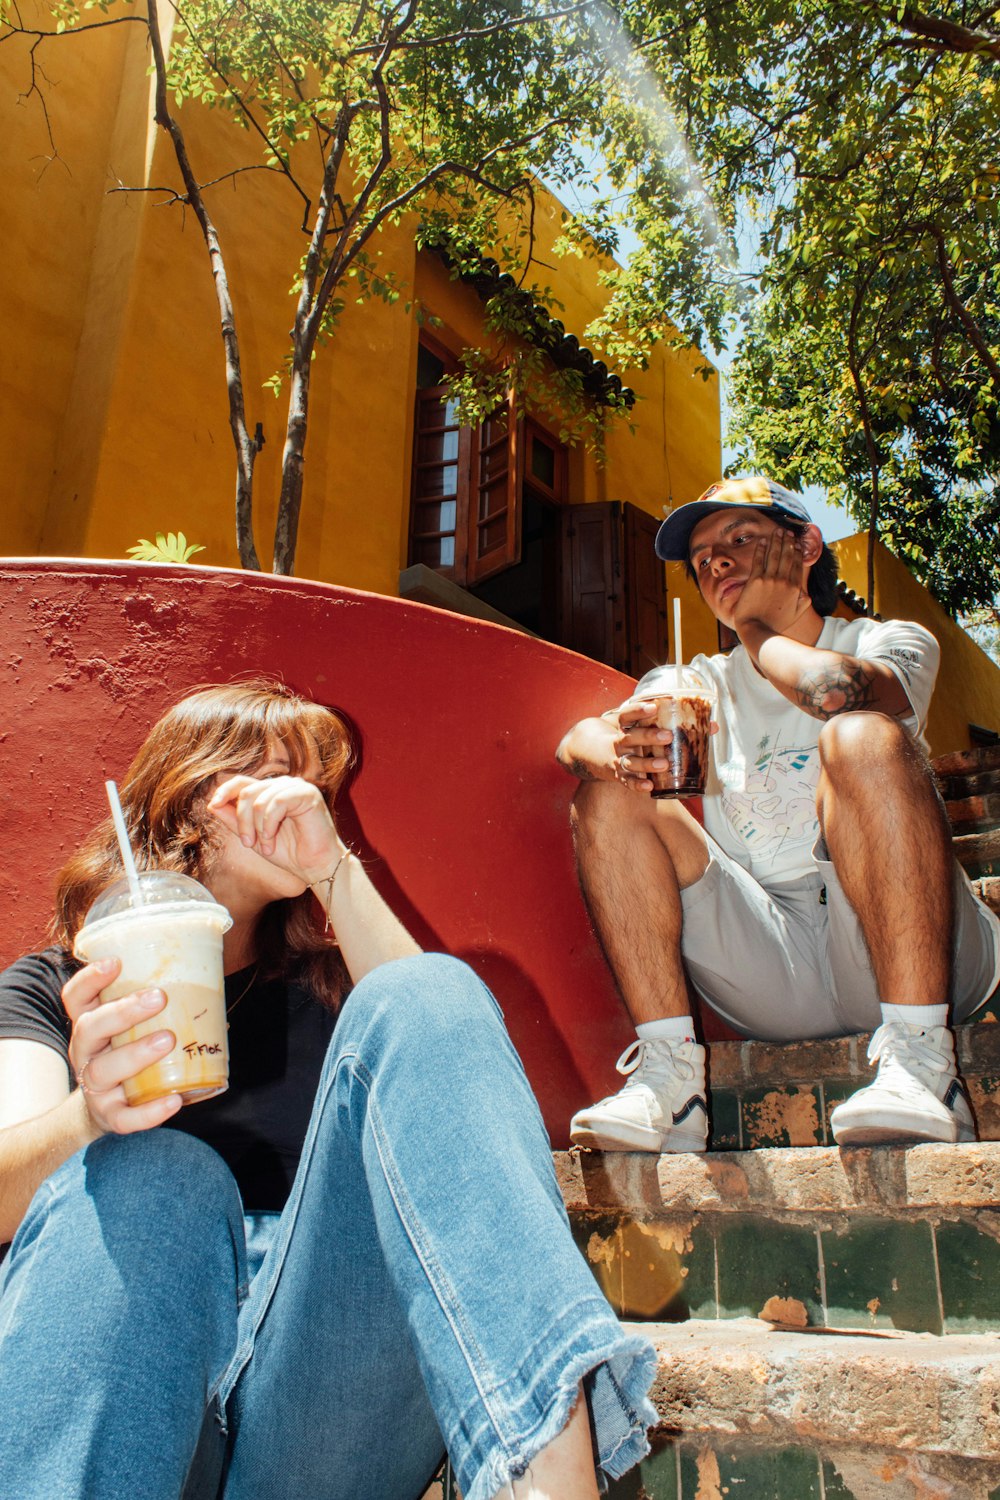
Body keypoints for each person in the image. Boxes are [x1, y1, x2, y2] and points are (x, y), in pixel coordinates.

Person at [0, 680, 657, 1500]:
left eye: (312, 786)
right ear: (184, 797)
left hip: (314, 1402)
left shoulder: (336, 991)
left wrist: (333, 867)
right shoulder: (54, 991)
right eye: (268, 774)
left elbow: (441, 1040)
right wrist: (90, 1116)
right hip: (130, 1389)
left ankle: (548, 1480)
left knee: (430, 992)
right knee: (159, 1178)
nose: (293, 799)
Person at [556, 477, 1000, 1153]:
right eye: (702, 558)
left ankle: (922, 1064)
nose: (717, 563)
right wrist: (620, 752)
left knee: (859, 735)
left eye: (740, 539)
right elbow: (577, 741)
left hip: (912, 946)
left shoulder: (888, 639)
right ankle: (671, 1086)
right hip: (772, 958)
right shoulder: (698, 681)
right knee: (608, 792)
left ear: (807, 545)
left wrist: (757, 626)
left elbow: (837, 690)